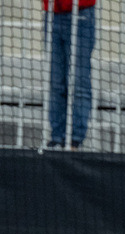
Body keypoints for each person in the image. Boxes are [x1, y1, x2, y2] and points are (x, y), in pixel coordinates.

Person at [44, 0, 96, 150]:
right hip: (52, 12)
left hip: (81, 12)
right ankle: (57, 137)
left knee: (79, 82)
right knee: (56, 83)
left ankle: (75, 139)